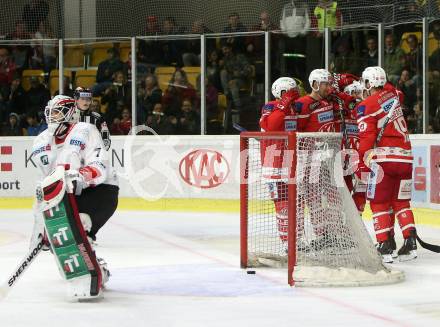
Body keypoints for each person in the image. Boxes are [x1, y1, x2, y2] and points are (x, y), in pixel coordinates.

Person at [31, 95, 118, 299]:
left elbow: (100, 166)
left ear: (69, 112)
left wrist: (81, 176)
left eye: (56, 112)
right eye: (49, 113)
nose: (51, 117)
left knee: (81, 223)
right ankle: (97, 270)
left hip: (100, 191)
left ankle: (91, 264)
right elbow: (43, 188)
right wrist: (42, 229)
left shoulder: (85, 131)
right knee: (60, 241)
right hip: (65, 197)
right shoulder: (40, 142)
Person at [356, 66, 416, 263]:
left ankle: (385, 245)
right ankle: (410, 244)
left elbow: (366, 139)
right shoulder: (396, 95)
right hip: (406, 158)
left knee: (379, 202)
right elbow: (393, 90)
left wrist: (362, 165)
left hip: (384, 160)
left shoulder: (366, 105)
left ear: (368, 83)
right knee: (401, 202)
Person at [259, 77, 300, 248]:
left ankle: (296, 239)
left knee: (295, 201)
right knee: (282, 202)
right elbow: (271, 126)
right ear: (281, 93)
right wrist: (283, 104)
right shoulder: (270, 106)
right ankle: (286, 244)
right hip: (273, 161)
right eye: (290, 92)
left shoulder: (293, 109)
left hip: (290, 160)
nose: (294, 95)